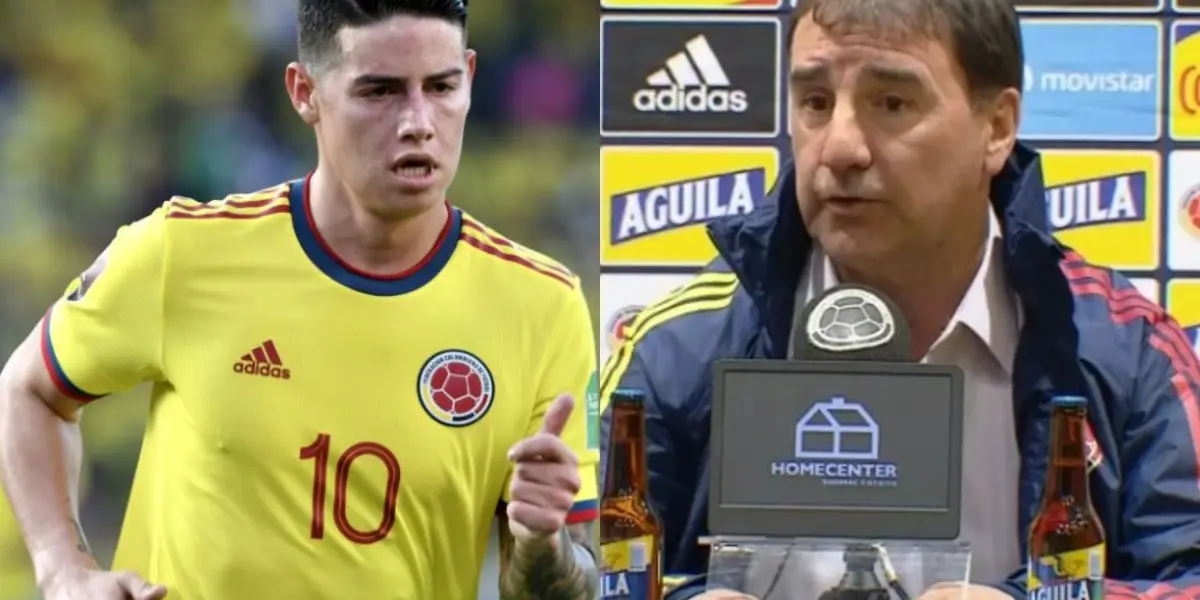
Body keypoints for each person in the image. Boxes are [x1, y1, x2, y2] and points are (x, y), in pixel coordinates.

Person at [599, 0, 1200, 599]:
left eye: (891, 104)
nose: (840, 148)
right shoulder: (679, 346)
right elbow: (588, 573)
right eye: (814, 102)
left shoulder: (1129, 349)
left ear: (996, 127)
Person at [0, 1, 600, 599]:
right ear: (304, 92)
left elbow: (566, 586)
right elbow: (28, 391)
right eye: (380, 92)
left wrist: (541, 545)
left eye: (441, 87)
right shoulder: (182, 253)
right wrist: (63, 569)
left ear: (469, 78)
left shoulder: (543, 308)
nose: (419, 121)